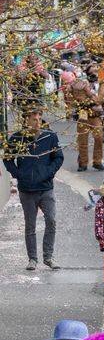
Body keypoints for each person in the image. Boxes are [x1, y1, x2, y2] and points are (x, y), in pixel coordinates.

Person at [5, 109, 64, 271]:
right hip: (27, 189)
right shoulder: (17, 138)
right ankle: (32, 259)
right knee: (30, 225)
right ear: (26, 120)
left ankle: (48, 257)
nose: (38, 122)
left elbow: (59, 157)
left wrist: (49, 172)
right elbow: (8, 158)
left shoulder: (49, 136)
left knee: (51, 220)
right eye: (34, 119)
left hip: (46, 188)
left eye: (39, 119)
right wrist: (18, 174)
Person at [60, 70, 104, 171]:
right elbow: (71, 103)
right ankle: (83, 163)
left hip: (95, 115)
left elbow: (100, 99)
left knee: (99, 137)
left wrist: (91, 98)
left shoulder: (97, 84)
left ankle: (97, 162)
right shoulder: (73, 87)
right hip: (83, 115)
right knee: (82, 140)